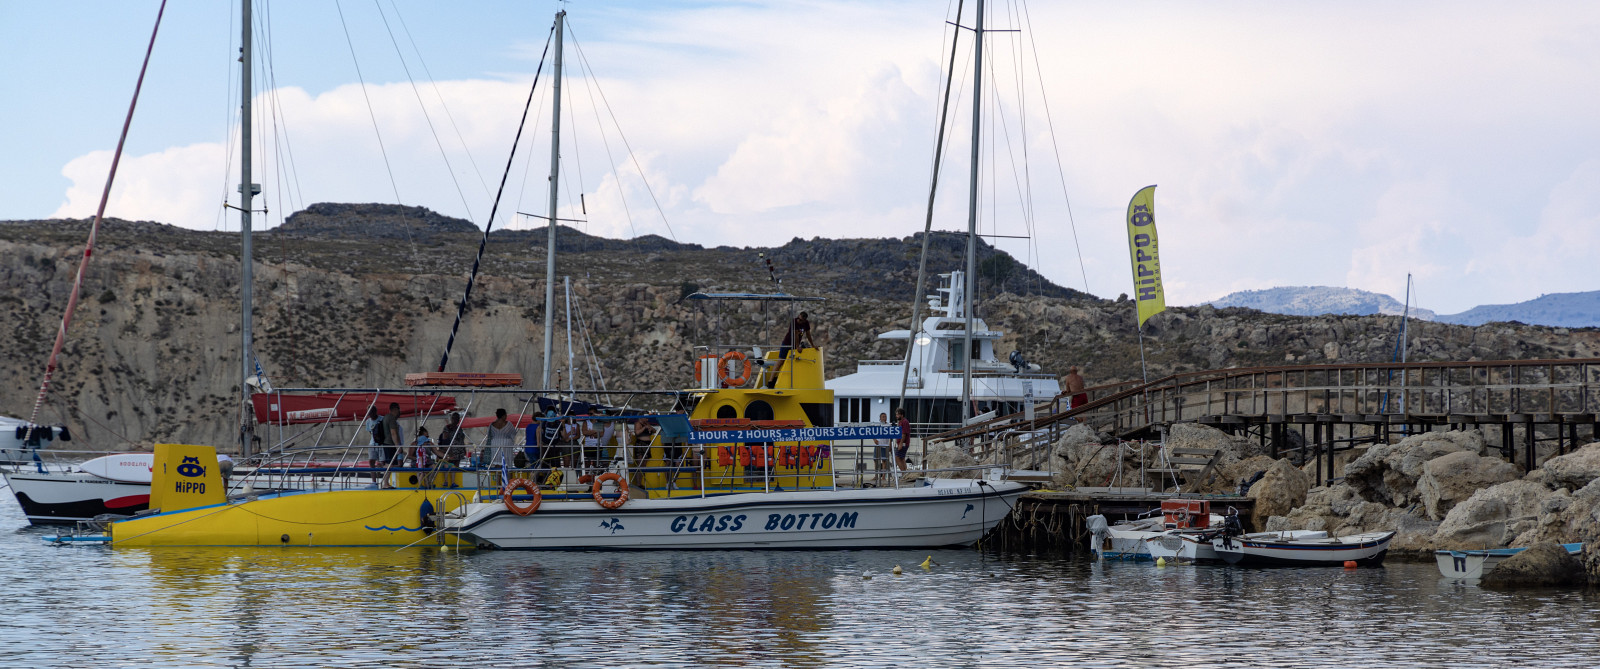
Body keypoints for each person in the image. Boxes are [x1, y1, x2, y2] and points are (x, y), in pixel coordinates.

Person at [768, 311, 815, 388]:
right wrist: (797, 347)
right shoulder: (794, 322)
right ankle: (770, 381)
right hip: (787, 343)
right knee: (780, 361)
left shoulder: (806, 324)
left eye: (801, 320)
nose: (799, 321)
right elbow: (796, 335)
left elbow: (808, 334)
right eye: (799, 319)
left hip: (795, 345)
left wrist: (813, 345)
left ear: (804, 320)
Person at [381, 402, 404, 467]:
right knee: (390, 464)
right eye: (398, 409)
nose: (399, 412)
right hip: (390, 444)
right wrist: (398, 446)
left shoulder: (385, 417)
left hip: (385, 443)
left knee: (389, 463)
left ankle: (385, 472)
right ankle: (385, 473)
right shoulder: (392, 418)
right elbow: (393, 433)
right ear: (395, 409)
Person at [872, 412, 893, 478]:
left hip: (885, 445)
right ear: (880, 418)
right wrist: (874, 440)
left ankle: (883, 476)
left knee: (884, 460)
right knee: (875, 460)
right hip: (878, 445)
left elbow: (891, 437)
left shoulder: (889, 425)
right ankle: (876, 475)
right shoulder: (877, 425)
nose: (884, 418)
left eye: (885, 416)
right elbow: (872, 432)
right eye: (883, 417)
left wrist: (890, 445)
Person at [894, 408, 911, 473]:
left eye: (898, 415)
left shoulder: (904, 422)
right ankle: (905, 473)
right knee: (902, 458)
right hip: (901, 443)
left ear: (902, 415)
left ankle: (903, 473)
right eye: (896, 414)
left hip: (903, 443)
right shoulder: (900, 422)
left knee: (897, 458)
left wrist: (901, 443)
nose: (896, 416)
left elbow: (904, 434)